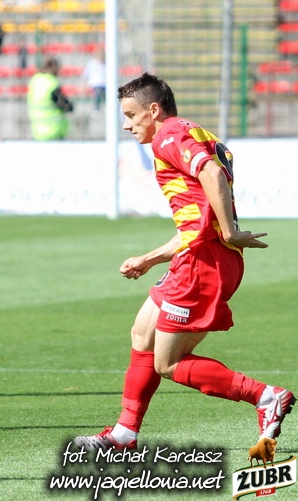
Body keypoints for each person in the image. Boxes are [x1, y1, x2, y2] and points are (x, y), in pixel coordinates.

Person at [74, 72, 294, 451]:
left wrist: (229, 232)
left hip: (203, 262)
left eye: (131, 115)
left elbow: (211, 173)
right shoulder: (192, 132)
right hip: (197, 254)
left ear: (153, 110)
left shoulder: (169, 135)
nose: (127, 125)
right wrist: (150, 258)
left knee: (168, 363)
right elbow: (197, 219)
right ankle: (125, 433)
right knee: (142, 334)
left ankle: (265, 397)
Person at [27, 56, 73, 141]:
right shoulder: (51, 83)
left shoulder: (34, 81)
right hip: (54, 131)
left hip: (37, 132)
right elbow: (66, 106)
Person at [82, 47, 107, 112]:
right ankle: (96, 108)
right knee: (98, 91)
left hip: (105, 84)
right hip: (95, 84)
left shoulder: (107, 64)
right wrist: (84, 85)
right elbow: (85, 75)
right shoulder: (91, 64)